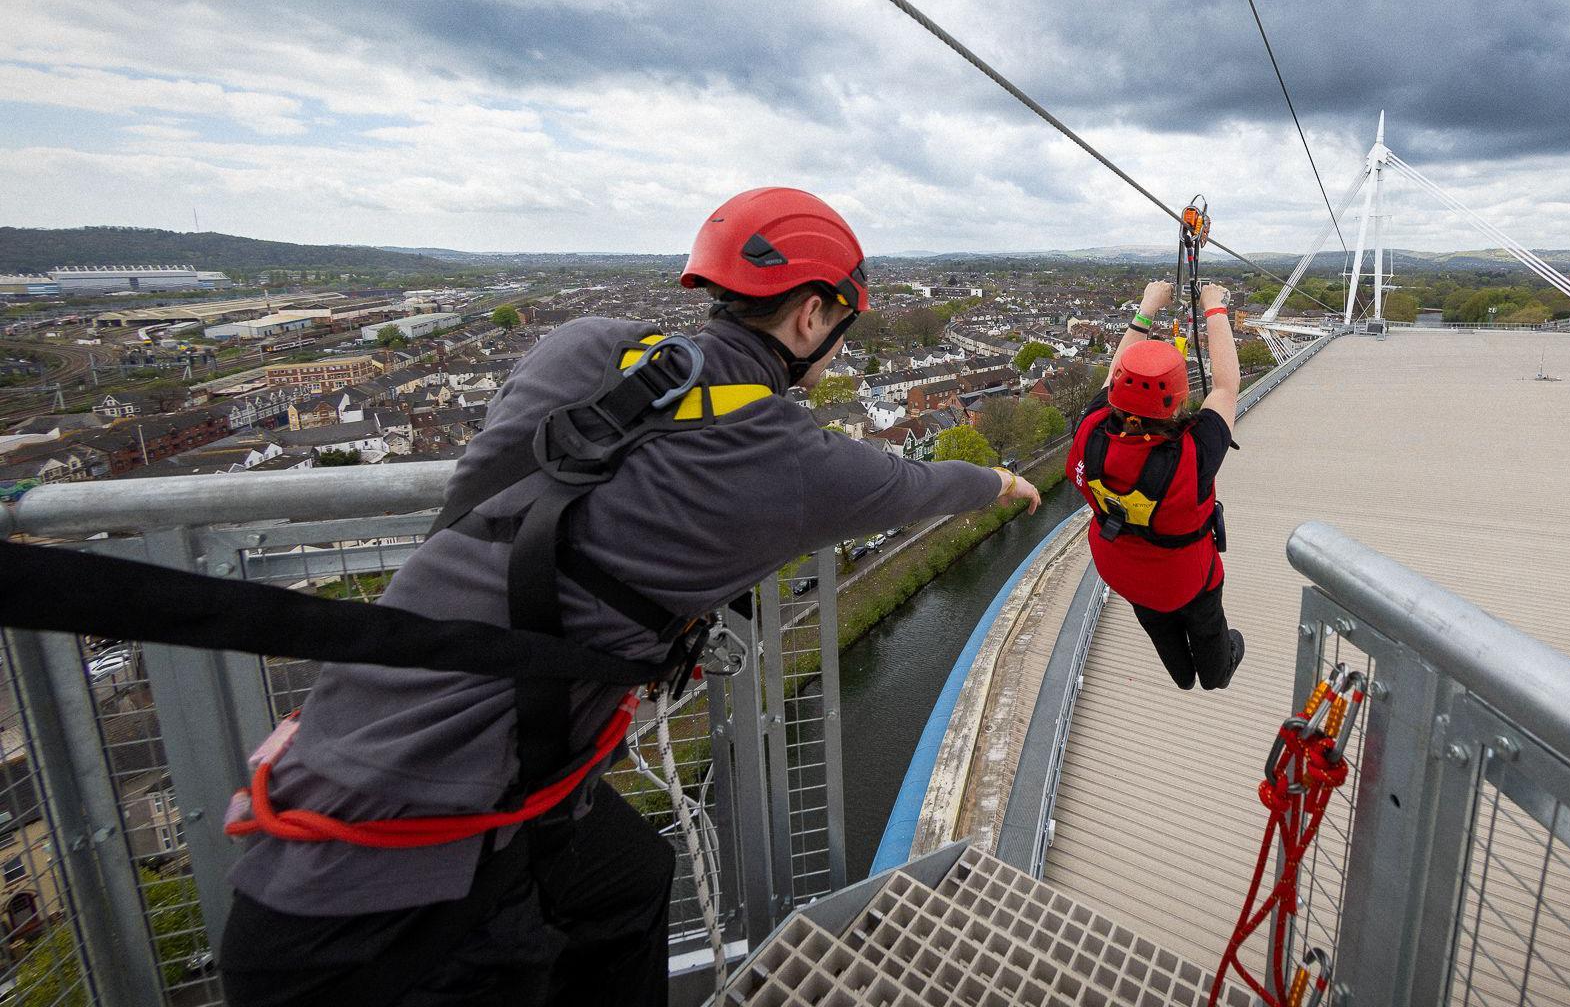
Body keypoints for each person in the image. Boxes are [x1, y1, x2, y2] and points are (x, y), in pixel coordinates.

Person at [217, 187, 1040, 1006]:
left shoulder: (580, 347)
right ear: (812, 317)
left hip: (334, 769)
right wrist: (1002, 479)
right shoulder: (788, 460)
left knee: (630, 880)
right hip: (399, 885)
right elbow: (915, 483)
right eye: (839, 332)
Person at [1067, 279, 1242, 691]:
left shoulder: (1090, 430)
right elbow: (1225, 386)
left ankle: (1182, 676)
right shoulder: (1191, 457)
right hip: (1188, 579)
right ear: (1178, 399)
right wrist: (1214, 307)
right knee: (1210, 649)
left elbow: (1115, 374)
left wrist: (1146, 308)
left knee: (1159, 625)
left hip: (1122, 570)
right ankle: (1219, 668)